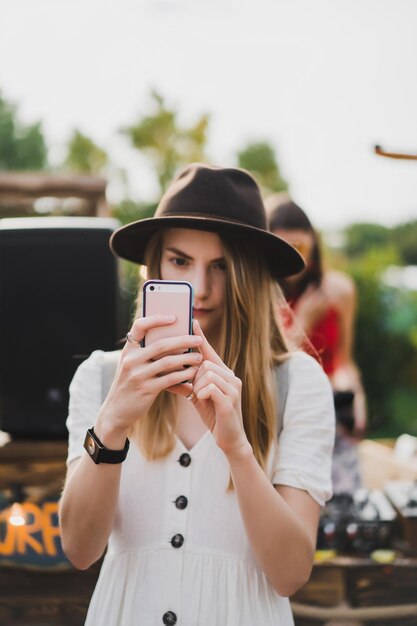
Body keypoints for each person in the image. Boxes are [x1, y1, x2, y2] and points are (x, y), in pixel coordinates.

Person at [59, 164, 335, 626]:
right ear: (155, 265)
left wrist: (238, 450)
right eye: (180, 261)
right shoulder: (101, 378)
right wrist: (111, 426)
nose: (201, 289)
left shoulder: (297, 383)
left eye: (222, 266)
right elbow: (80, 550)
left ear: (249, 273)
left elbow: (290, 574)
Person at [266, 196, 366, 494]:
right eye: (282, 248)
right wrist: (304, 321)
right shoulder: (262, 294)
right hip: (284, 414)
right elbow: (267, 365)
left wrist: (356, 397)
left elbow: (344, 361)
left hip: (334, 417)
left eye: (300, 248)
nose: (293, 257)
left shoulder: (339, 290)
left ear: (314, 246)